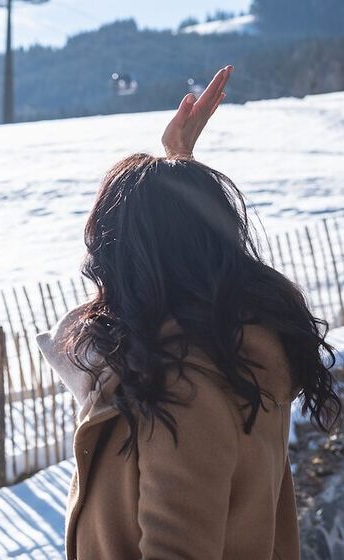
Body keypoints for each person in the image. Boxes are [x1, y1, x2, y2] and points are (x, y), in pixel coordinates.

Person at [36, 66, 340, 560]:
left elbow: (75, 343)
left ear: (131, 263)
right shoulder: (241, 348)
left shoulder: (183, 387)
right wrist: (178, 168)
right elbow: (79, 344)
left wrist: (171, 177)